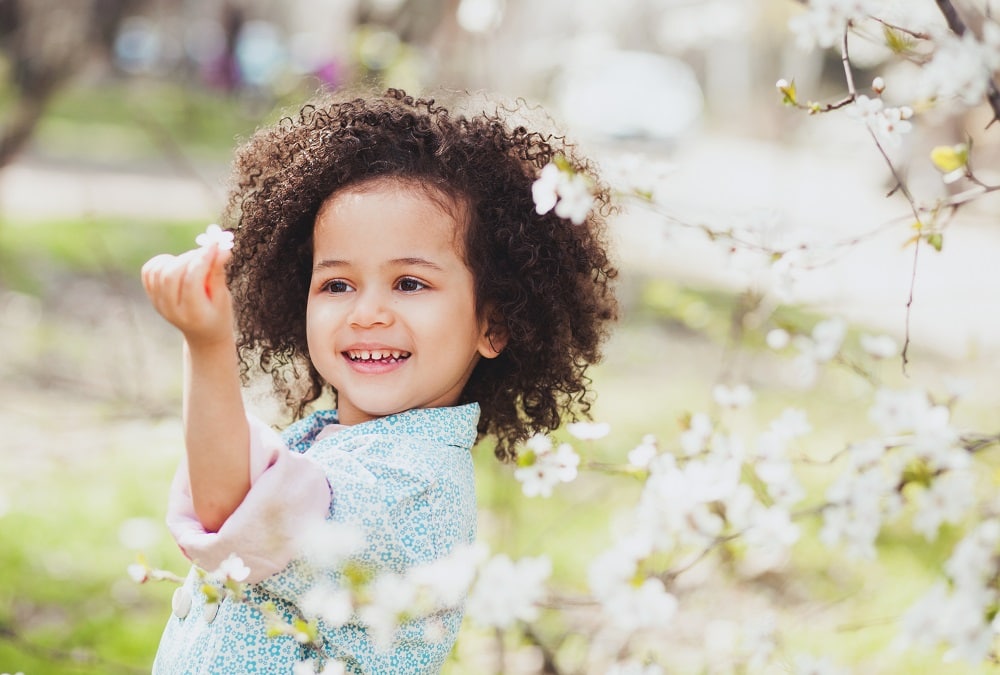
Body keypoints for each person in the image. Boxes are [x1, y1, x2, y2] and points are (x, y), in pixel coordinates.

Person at [140, 87, 617, 674]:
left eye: (410, 284)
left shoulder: (408, 484)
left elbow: (230, 507)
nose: (367, 313)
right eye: (337, 284)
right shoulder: (339, 440)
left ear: (493, 324)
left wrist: (207, 344)